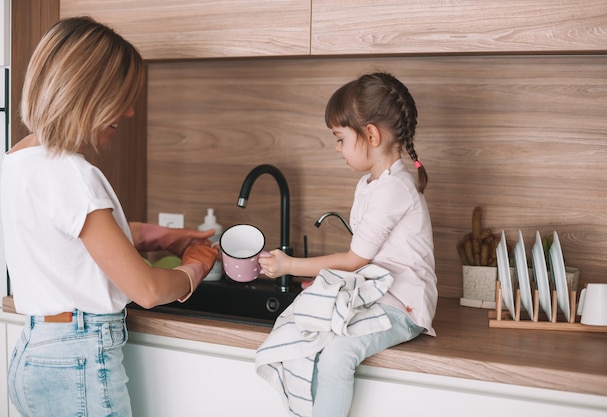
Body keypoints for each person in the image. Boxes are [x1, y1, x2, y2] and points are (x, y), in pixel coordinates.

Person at [0, 17, 218, 417]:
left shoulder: (18, 161)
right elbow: (148, 291)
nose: (130, 111)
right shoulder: (73, 174)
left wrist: (167, 237)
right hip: (78, 356)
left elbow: (75, 243)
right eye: (121, 97)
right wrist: (195, 268)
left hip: (33, 354)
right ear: (88, 94)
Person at [257, 72, 437, 417]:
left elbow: (355, 260)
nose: (337, 148)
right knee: (310, 340)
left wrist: (289, 266)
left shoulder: (394, 189)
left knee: (338, 354)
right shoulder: (371, 184)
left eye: (340, 138)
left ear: (371, 134)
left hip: (405, 306)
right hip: (378, 296)